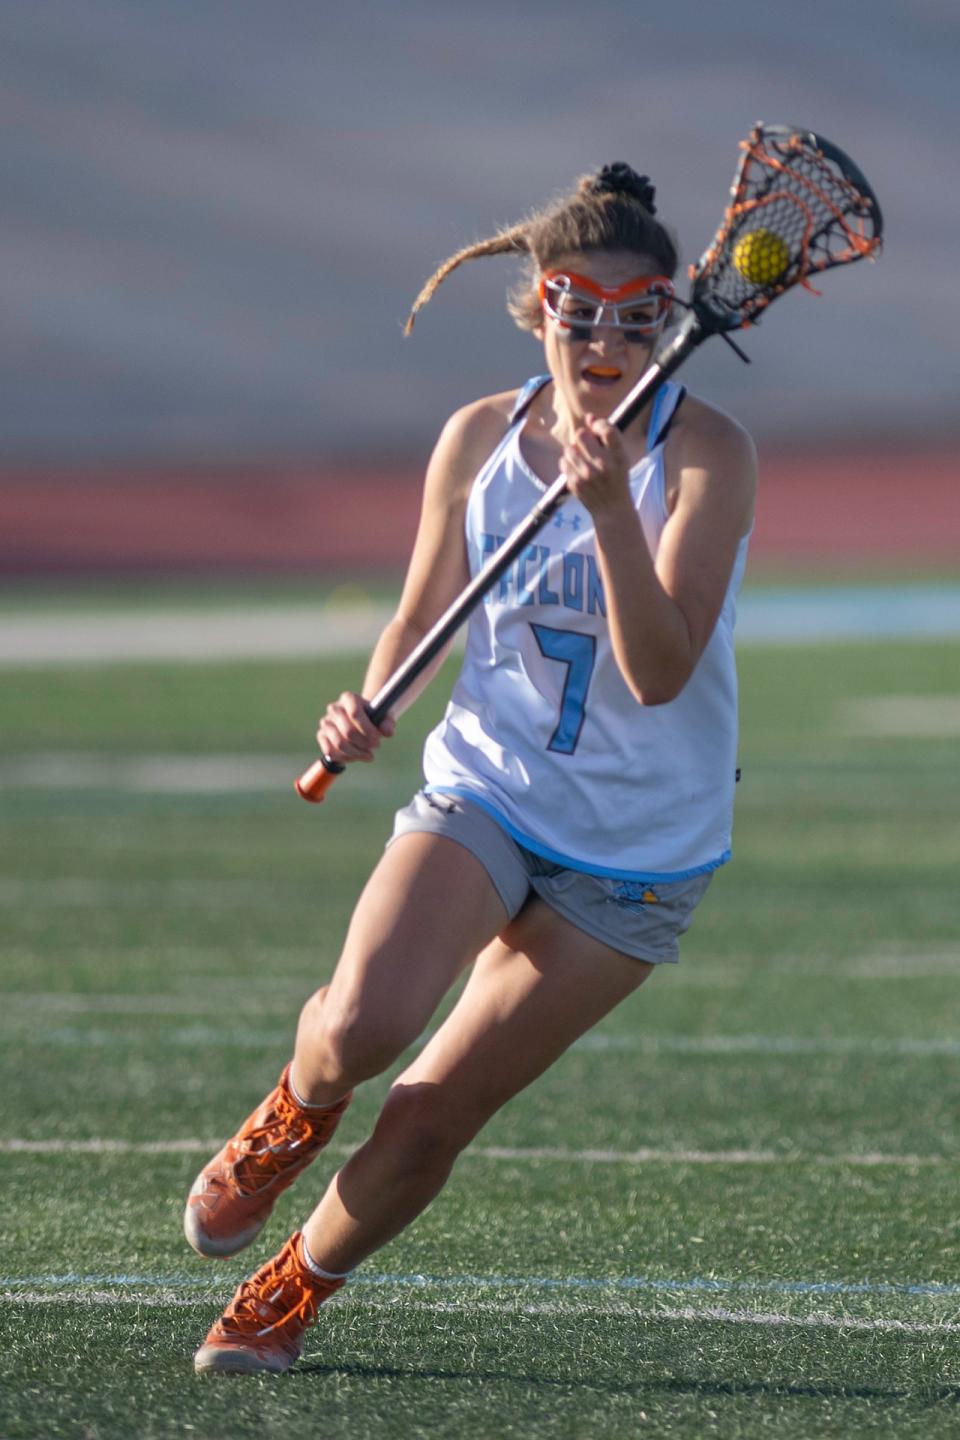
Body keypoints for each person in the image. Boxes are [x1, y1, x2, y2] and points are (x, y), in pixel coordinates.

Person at [185, 162, 757, 1375]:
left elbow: (658, 672)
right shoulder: (478, 439)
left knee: (433, 1112)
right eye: (577, 307)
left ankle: (298, 1286)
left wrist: (609, 512)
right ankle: (291, 1111)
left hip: (641, 848)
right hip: (489, 785)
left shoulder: (706, 456)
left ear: (670, 316)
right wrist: (366, 701)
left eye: (639, 310)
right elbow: (419, 618)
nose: (606, 337)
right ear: (536, 308)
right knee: (360, 1024)